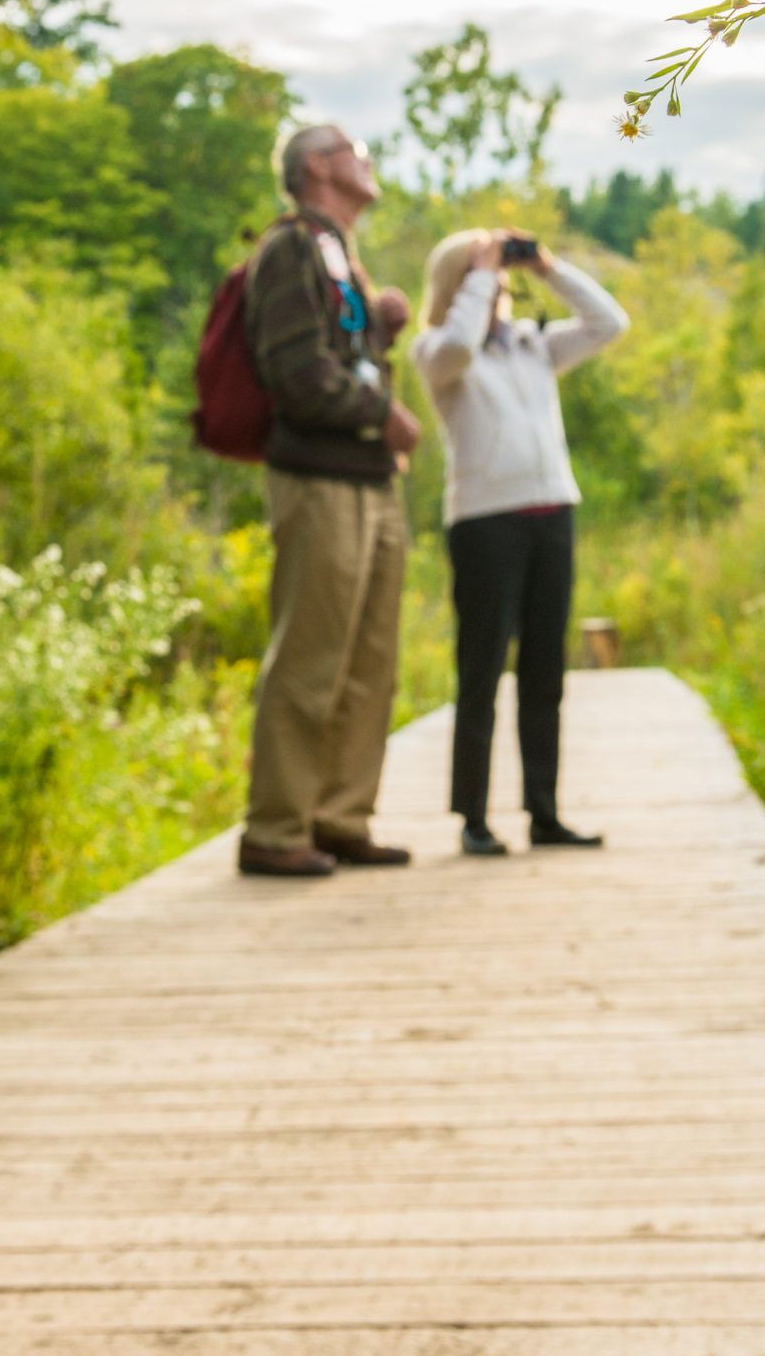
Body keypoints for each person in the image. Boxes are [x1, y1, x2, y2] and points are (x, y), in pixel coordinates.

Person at [238, 124, 421, 877]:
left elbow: (338, 352)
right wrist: (382, 414)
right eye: (352, 149)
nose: (367, 160)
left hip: (371, 483)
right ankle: (276, 829)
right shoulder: (287, 249)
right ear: (317, 166)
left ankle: (340, 818)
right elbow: (298, 376)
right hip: (317, 480)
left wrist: (379, 329)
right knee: (310, 658)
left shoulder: (341, 253)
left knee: (369, 662)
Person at [412, 227, 629, 856]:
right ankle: (473, 818)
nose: (502, 279)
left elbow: (610, 322)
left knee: (545, 671)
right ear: (464, 282)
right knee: (481, 670)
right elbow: (457, 342)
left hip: (552, 513)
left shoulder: (533, 345)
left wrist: (549, 268)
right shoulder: (440, 353)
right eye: (489, 271)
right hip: (485, 522)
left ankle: (544, 813)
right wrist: (478, 271)